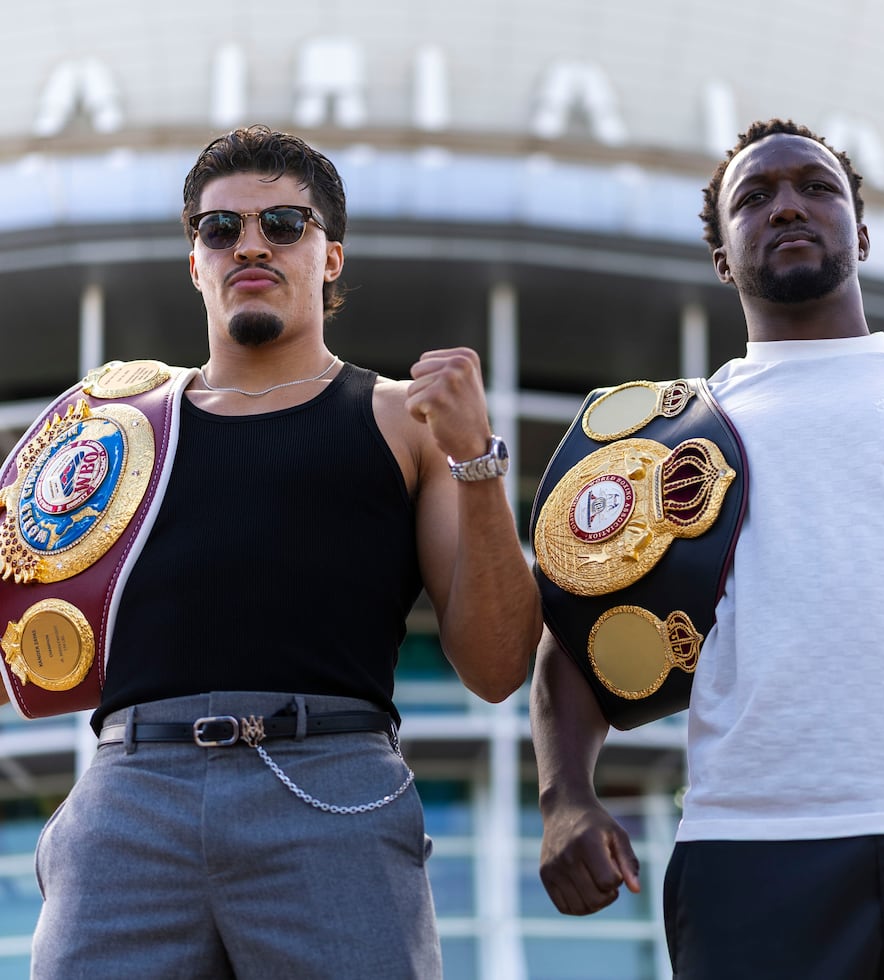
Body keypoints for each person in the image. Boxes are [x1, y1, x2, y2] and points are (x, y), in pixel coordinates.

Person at [3, 125, 541, 978]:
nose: (251, 243)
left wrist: (478, 464)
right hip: (128, 796)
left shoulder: (406, 419)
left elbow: (499, 665)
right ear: (195, 262)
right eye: (221, 229)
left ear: (330, 257)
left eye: (285, 224)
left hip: (329, 782)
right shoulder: (116, 431)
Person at [530, 118, 884, 978]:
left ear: (862, 231)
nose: (787, 207)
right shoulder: (667, 438)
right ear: (722, 258)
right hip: (752, 845)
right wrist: (565, 800)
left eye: (817, 189)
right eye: (755, 197)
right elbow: (571, 642)